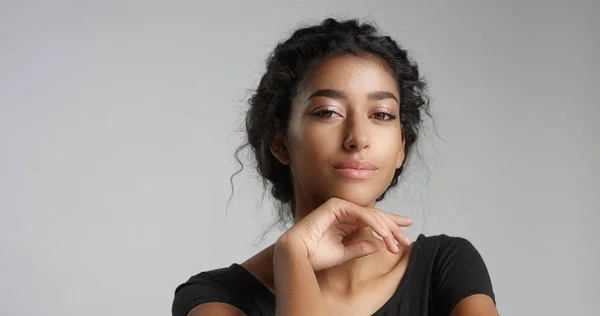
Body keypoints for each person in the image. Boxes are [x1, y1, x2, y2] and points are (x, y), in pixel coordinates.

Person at [172, 18, 497, 316]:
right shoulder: (212, 298)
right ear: (280, 142)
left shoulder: (448, 267)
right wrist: (294, 259)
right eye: (328, 112)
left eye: (381, 114)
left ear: (402, 148)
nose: (357, 138)